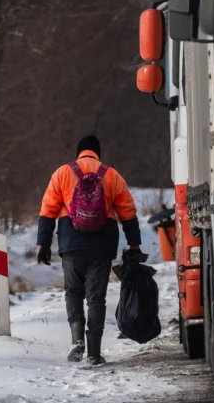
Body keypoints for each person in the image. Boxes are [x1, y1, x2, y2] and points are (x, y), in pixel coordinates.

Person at [37, 135, 141, 364]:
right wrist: (135, 244)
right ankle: (94, 351)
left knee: (73, 292)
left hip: (71, 243)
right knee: (96, 298)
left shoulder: (63, 173)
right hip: (102, 246)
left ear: (79, 152)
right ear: (97, 153)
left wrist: (43, 244)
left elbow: (48, 210)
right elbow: (128, 212)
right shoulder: (111, 175)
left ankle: (77, 343)